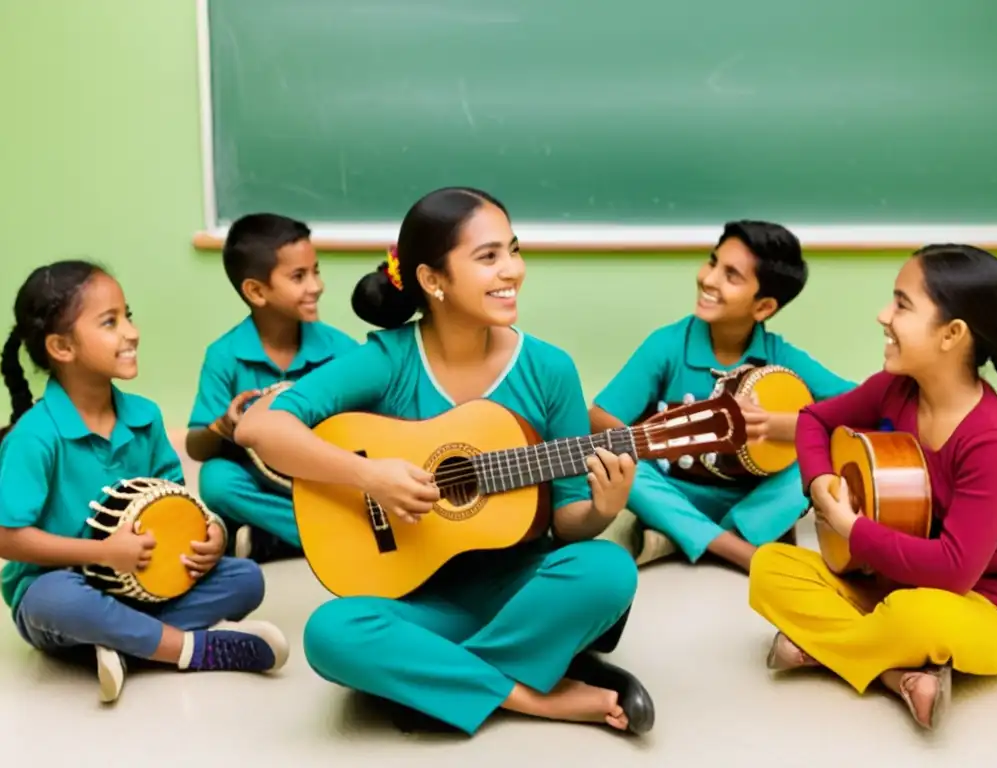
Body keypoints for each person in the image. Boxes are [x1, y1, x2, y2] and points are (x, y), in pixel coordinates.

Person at [234, 187, 654, 736]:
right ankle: (535, 694)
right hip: (416, 598)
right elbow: (259, 426)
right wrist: (370, 475)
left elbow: (568, 522)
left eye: (514, 249)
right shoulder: (389, 360)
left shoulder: (550, 370)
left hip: (520, 586)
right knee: (330, 632)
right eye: (488, 257)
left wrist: (603, 509)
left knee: (609, 569)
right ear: (433, 280)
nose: (513, 270)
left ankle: (437, 682)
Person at [749, 244, 997, 731]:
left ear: (952, 334)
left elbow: (956, 572)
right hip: (889, 580)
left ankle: (828, 646)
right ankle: (897, 675)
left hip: (990, 606)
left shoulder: (996, 441)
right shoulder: (894, 388)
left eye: (902, 304)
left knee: (916, 616)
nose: (883, 315)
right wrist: (820, 481)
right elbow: (814, 420)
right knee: (770, 567)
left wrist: (852, 530)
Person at [0, 260, 289, 705]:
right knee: (52, 600)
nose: (131, 332)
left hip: (146, 584)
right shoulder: (35, 436)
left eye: (128, 316)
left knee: (245, 578)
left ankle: (122, 644)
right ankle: (187, 649)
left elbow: (179, 499)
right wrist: (103, 553)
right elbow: (8, 539)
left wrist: (211, 531)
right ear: (61, 347)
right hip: (61, 583)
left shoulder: (145, 416)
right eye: (110, 322)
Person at [589, 221, 855, 572]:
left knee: (821, 459)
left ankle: (688, 538)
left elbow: (860, 408)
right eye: (713, 262)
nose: (709, 279)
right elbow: (600, 417)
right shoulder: (668, 344)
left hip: (748, 499)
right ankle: (736, 550)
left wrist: (779, 426)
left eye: (731, 276)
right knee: (619, 458)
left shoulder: (780, 356)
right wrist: (655, 438)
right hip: (673, 491)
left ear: (763, 308)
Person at [185, 213, 360, 563]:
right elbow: (196, 447)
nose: (316, 286)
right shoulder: (225, 355)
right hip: (266, 485)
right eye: (299, 276)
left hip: (326, 479)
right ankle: (324, 536)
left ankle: (273, 539)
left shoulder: (342, 351)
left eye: (316, 271)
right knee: (217, 480)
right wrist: (222, 427)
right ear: (256, 291)